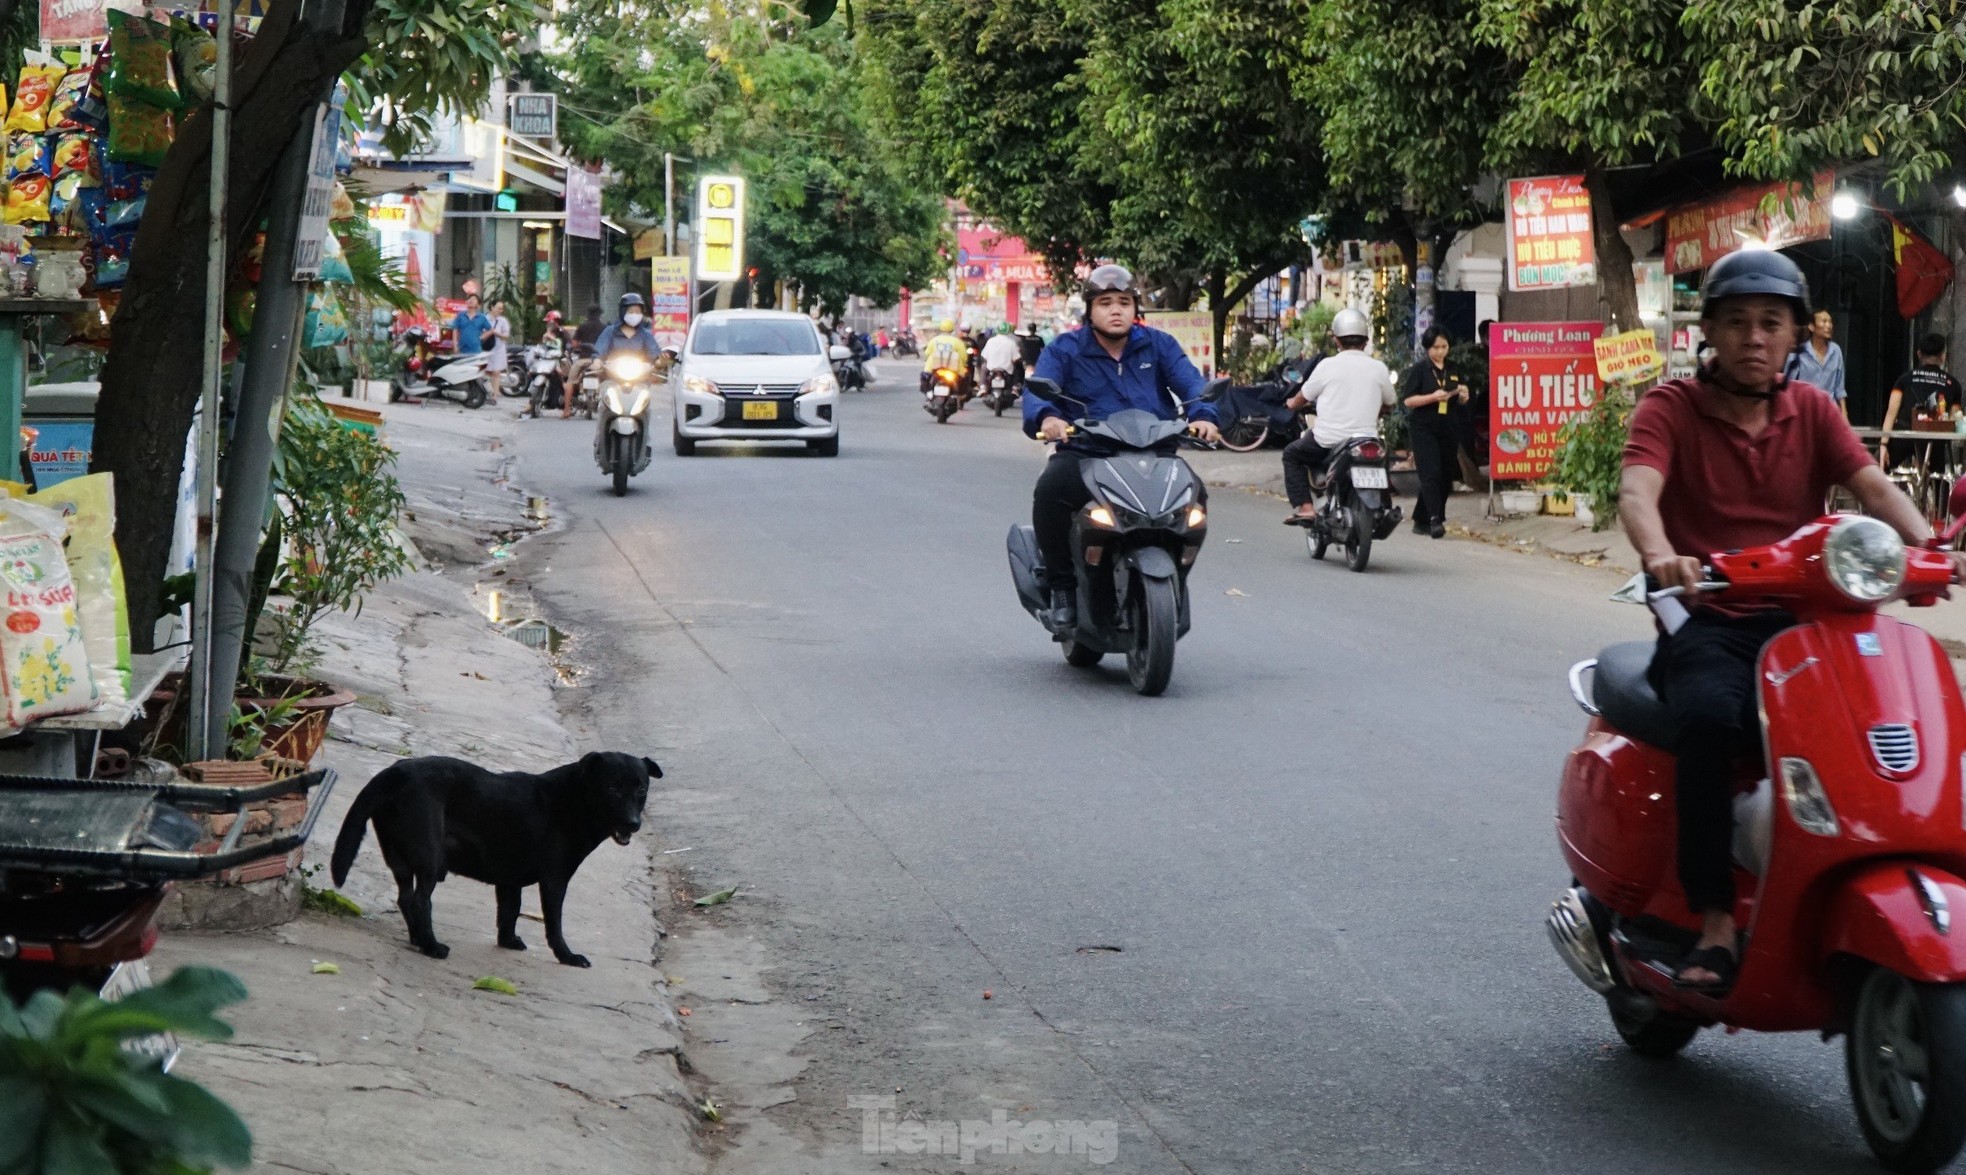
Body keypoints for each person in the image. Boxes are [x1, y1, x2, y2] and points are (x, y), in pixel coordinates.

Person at [1619, 249, 1959, 993]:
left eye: (1771, 323)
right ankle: (1713, 917)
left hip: (1812, 620)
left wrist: (1930, 551)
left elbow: (1870, 484)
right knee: (1711, 718)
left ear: (1796, 336)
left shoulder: (1812, 409)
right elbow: (1638, 492)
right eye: (1736, 322)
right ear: (1707, 330)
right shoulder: (1668, 407)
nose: (1753, 337)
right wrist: (1662, 554)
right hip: (1709, 614)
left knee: (1897, 725)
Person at [1024, 264, 1221, 630]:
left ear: (1136, 308)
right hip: (1086, 454)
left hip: (1153, 453)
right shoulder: (1065, 349)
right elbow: (1039, 390)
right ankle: (1063, 589)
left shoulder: (1159, 345)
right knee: (1050, 491)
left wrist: (1205, 415)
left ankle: (1177, 577)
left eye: (1124, 302)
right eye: (1105, 302)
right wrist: (1048, 418)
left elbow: (1192, 385)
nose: (1116, 310)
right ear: (1090, 310)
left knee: (1196, 498)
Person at [1278, 308, 1395, 524]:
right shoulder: (1378, 368)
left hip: (1328, 440)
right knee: (1382, 455)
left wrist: (1291, 403)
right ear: (1366, 340)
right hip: (1366, 439)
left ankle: (1304, 507)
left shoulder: (1327, 366)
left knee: (1291, 454)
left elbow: (1303, 396)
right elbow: (1390, 402)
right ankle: (1384, 503)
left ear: (1336, 340)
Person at [1401, 327, 1471, 539]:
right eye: (1436, 347)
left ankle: (1420, 518)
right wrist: (1432, 397)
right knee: (1430, 474)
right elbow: (1408, 400)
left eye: (1444, 347)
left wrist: (1463, 395)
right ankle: (1435, 519)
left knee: (1445, 475)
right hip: (1424, 427)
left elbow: (1461, 399)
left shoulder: (1453, 368)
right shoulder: (1420, 370)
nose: (1440, 352)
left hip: (1448, 425)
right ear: (1427, 348)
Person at [1882, 333, 1964, 466]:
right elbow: (1955, 419)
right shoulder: (1953, 384)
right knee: (1936, 479)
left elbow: (1891, 414)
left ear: (1919, 354)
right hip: (1934, 442)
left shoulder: (1904, 380)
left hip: (1903, 437)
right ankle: (1937, 486)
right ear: (1943, 357)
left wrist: (1883, 444)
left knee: (1876, 470)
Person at [1784, 308, 1846, 417]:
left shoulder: (1836, 351)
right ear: (1812, 326)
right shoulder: (1799, 353)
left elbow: (1839, 390)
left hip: (1829, 413)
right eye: (1823, 321)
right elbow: (1788, 387)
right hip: (1804, 413)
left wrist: (1844, 415)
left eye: (1830, 322)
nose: (1828, 326)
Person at [920, 318, 967, 395]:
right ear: (952, 329)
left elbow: (927, 353)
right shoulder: (957, 341)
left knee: (925, 377)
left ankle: (928, 392)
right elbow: (963, 357)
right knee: (963, 380)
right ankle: (959, 395)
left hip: (933, 367)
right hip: (953, 368)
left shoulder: (934, 340)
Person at [484, 300, 513, 398]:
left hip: (498, 349)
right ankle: (488, 391)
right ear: (492, 307)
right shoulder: (484, 319)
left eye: (502, 309)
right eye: (498, 308)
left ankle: (495, 395)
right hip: (486, 349)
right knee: (486, 371)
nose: (500, 310)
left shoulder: (503, 320)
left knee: (496, 372)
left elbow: (506, 335)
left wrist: (496, 333)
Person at [450, 293, 492, 359]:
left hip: (476, 350)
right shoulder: (460, 315)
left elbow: (490, 330)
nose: (471, 300)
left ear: (478, 305)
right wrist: (455, 345)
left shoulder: (481, 317)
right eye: (469, 299)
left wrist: (482, 337)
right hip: (462, 349)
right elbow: (455, 330)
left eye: (474, 299)